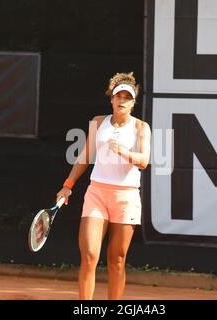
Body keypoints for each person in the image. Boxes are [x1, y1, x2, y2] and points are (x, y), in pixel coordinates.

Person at [55, 72, 151, 300]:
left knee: (116, 259)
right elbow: (84, 156)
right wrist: (67, 185)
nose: (122, 101)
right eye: (119, 96)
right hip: (96, 194)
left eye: (127, 97)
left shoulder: (141, 128)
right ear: (111, 99)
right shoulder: (98, 122)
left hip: (126, 198)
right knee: (89, 255)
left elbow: (144, 161)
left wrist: (124, 152)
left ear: (133, 102)